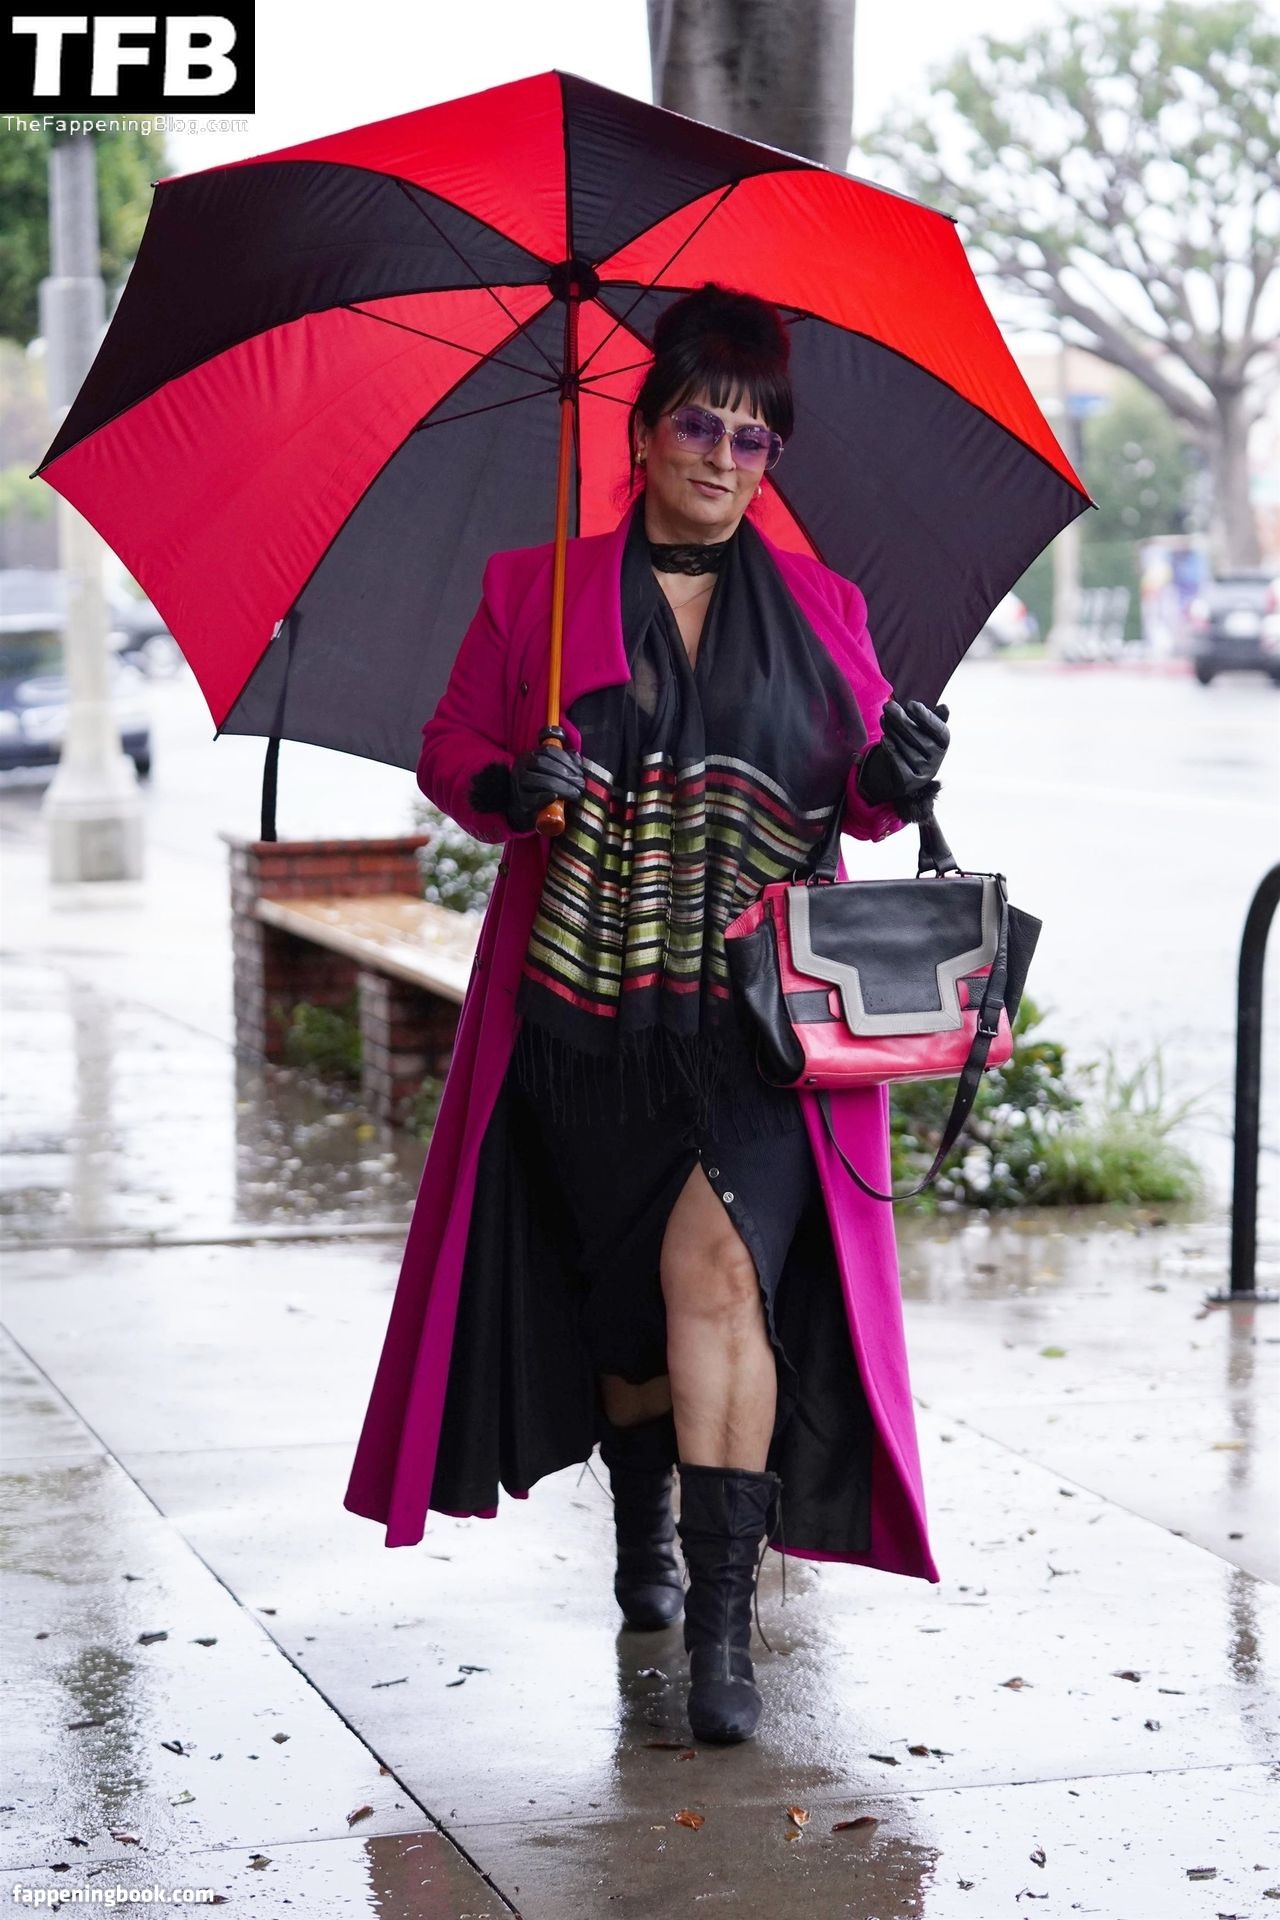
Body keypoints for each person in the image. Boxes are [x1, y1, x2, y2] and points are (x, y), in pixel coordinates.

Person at [343, 282, 950, 1746]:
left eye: (754, 436)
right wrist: (514, 785)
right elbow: (451, 750)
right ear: (644, 429)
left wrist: (898, 776)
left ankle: (725, 1632)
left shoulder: (824, 608)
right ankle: (642, 1535)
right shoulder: (535, 593)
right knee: (627, 1320)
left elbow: (857, 795)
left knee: (720, 1279)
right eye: (700, 424)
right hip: (582, 1022)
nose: (725, 457)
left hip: (757, 1029)